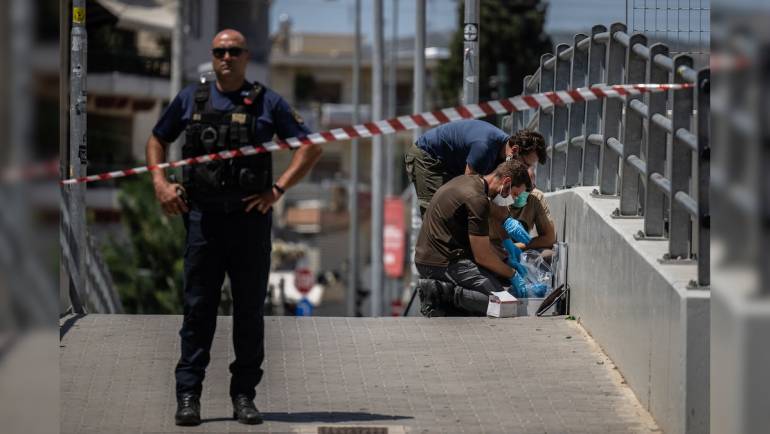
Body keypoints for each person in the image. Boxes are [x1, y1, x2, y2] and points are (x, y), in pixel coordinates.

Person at [146, 29, 322, 426]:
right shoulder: (191, 98)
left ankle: (244, 396)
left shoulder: (266, 102)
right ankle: (188, 395)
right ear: (213, 56)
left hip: (249, 223)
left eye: (234, 51)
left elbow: (311, 146)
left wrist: (277, 190)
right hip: (202, 220)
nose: (226, 57)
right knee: (197, 312)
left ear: (246, 57)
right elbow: (157, 140)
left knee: (248, 314)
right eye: (220, 51)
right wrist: (160, 184)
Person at [414, 159, 532, 317]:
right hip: (440, 262)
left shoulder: (470, 181)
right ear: (507, 182)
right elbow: (482, 256)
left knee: (498, 281)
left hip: (441, 255)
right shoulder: (477, 199)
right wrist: (512, 274)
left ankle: (453, 301)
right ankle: (442, 292)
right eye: (515, 194)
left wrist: (505, 262)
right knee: (504, 304)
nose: (514, 200)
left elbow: (480, 242)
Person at [405, 120, 546, 216]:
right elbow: (469, 190)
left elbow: (491, 194)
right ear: (515, 150)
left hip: (451, 164)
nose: (525, 169)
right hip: (428, 157)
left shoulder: (503, 154)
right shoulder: (485, 148)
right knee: (438, 212)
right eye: (526, 164)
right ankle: (435, 257)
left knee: (458, 211)